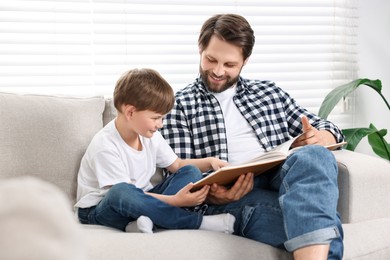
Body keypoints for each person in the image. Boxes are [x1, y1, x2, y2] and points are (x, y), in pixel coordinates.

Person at [161, 14, 344, 260]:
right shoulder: (178, 106)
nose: (217, 71)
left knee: (315, 155)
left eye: (229, 65)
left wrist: (323, 136)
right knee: (324, 227)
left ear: (245, 61)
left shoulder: (269, 93)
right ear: (200, 49)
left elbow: (325, 126)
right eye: (210, 59)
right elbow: (176, 177)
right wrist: (214, 193)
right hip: (232, 195)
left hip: (282, 176)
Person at [74, 68, 236, 234]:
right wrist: (174, 201)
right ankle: (197, 222)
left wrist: (210, 162)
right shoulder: (105, 146)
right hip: (100, 210)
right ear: (130, 112)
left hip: (143, 199)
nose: (161, 124)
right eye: (155, 118)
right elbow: (122, 196)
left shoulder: (149, 135)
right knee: (121, 191)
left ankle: (141, 222)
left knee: (190, 172)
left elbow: (177, 164)